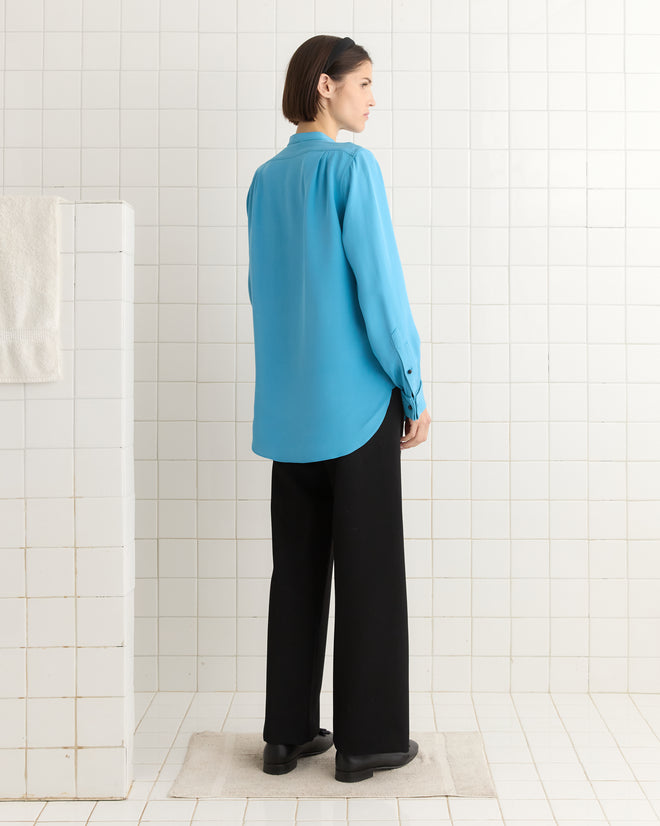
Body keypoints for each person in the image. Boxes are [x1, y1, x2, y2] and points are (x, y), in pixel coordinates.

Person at [245, 34, 431, 783]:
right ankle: (369, 743)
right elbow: (379, 293)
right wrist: (411, 385)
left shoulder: (264, 180)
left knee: (295, 574)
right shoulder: (352, 168)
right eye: (365, 83)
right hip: (356, 410)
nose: (373, 98)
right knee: (369, 575)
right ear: (325, 86)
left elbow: (266, 294)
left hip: (289, 412)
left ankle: (286, 736)